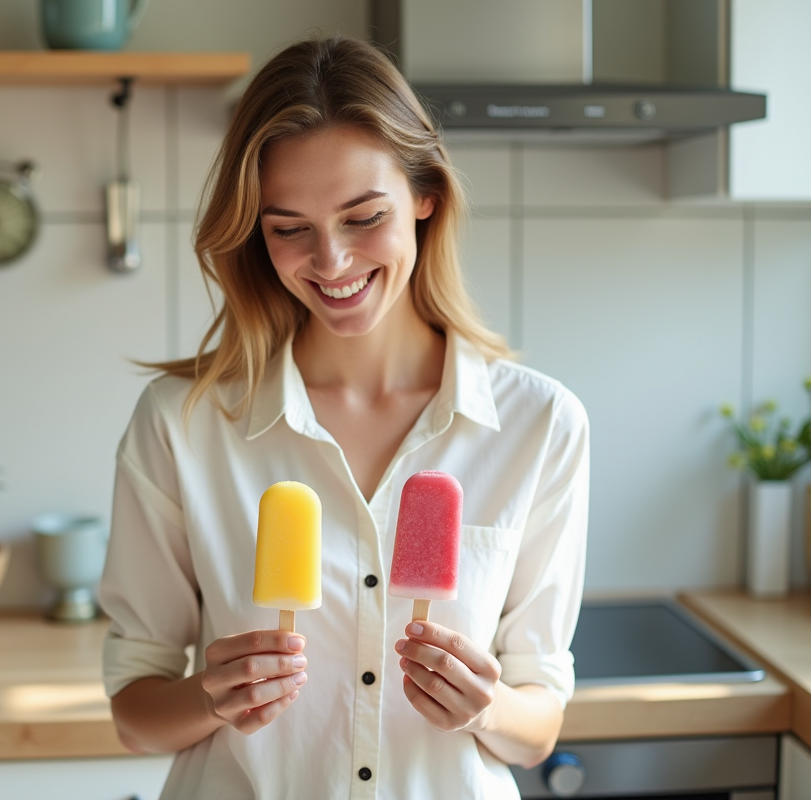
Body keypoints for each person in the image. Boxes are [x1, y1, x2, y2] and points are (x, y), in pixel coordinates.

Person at [98, 35, 589, 799]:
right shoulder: (183, 424)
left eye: (363, 217)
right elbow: (136, 712)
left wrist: (486, 707)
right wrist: (210, 697)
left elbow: (540, 723)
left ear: (425, 196)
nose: (330, 261)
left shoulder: (541, 425)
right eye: (289, 228)